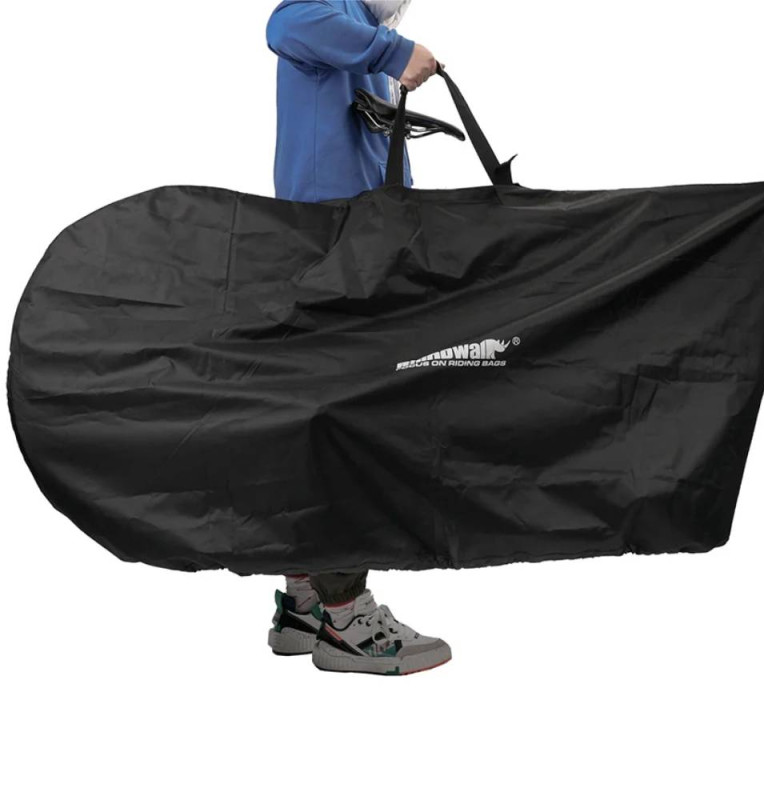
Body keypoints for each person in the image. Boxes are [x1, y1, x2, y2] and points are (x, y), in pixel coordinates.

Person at [264, 0, 451, 675]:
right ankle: (346, 620)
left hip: (357, 248)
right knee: (346, 425)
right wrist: (394, 54)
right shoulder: (334, 15)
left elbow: (375, 153)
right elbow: (283, 24)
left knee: (313, 421)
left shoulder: (364, 31)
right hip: (329, 249)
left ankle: (305, 600)